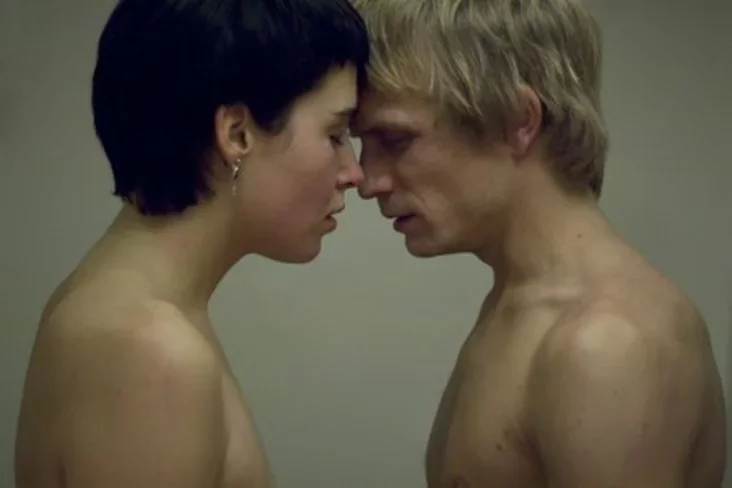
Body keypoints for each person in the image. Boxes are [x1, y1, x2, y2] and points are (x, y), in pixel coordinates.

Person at [350, 0, 727, 486]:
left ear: (519, 120)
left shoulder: (606, 346)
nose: (369, 181)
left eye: (395, 140)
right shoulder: (518, 301)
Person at [14, 0, 367, 486]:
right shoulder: (147, 351)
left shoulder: (122, 311)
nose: (354, 172)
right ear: (237, 134)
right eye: (336, 134)